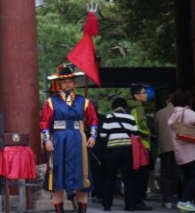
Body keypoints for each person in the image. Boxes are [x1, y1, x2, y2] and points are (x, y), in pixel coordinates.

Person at [39, 64, 98, 213]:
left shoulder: (84, 101)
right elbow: (44, 123)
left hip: (79, 140)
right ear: (60, 84)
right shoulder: (51, 102)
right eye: (64, 82)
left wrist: (93, 136)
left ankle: (82, 210)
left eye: (70, 81)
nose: (67, 84)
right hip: (58, 140)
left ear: (74, 83)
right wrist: (47, 139)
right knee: (57, 177)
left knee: (82, 177)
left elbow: (94, 120)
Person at [168, 90, 195, 212]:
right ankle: (184, 201)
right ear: (187, 101)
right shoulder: (186, 113)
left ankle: (186, 203)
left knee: (188, 178)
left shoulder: (174, 113)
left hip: (180, 152)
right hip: (192, 152)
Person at [97, 98, 138, 211]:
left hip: (112, 150)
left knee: (110, 177)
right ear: (125, 108)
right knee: (128, 177)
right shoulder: (131, 118)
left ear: (114, 107)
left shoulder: (109, 118)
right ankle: (130, 205)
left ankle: (107, 205)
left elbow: (103, 135)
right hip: (126, 150)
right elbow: (136, 135)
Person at [129, 85, 152, 211]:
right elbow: (139, 124)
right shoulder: (138, 107)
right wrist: (147, 131)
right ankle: (139, 200)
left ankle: (136, 200)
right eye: (144, 93)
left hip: (138, 143)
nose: (146, 95)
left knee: (137, 173)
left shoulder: (132, 107)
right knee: (142, 174)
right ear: (137, 96)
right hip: (141, 143)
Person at [154, 95, 177, 209]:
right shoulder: (182, 112)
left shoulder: (160, 113)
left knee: (166, 173)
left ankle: (167, 199)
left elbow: (156, 130)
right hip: (180, 148)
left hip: (165, 148)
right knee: (179, 172)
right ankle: (180, 196)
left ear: (167, 101)